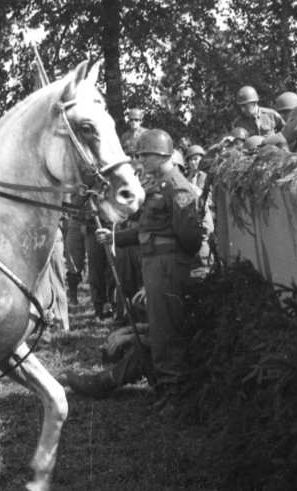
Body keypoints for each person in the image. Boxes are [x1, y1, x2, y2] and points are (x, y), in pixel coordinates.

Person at [94, 129, 204, 415]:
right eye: (140, 155)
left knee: (167, 329)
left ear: (163, 154)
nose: (140, 160)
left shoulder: (177, 187)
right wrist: (115, 237)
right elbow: (147, 231)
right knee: (159, 328)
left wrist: (173, 262)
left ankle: (175, 395)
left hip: (168, 266)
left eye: (146, 155)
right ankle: (167, 390)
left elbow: (190, 237)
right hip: (156, 264)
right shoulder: (160, 186)